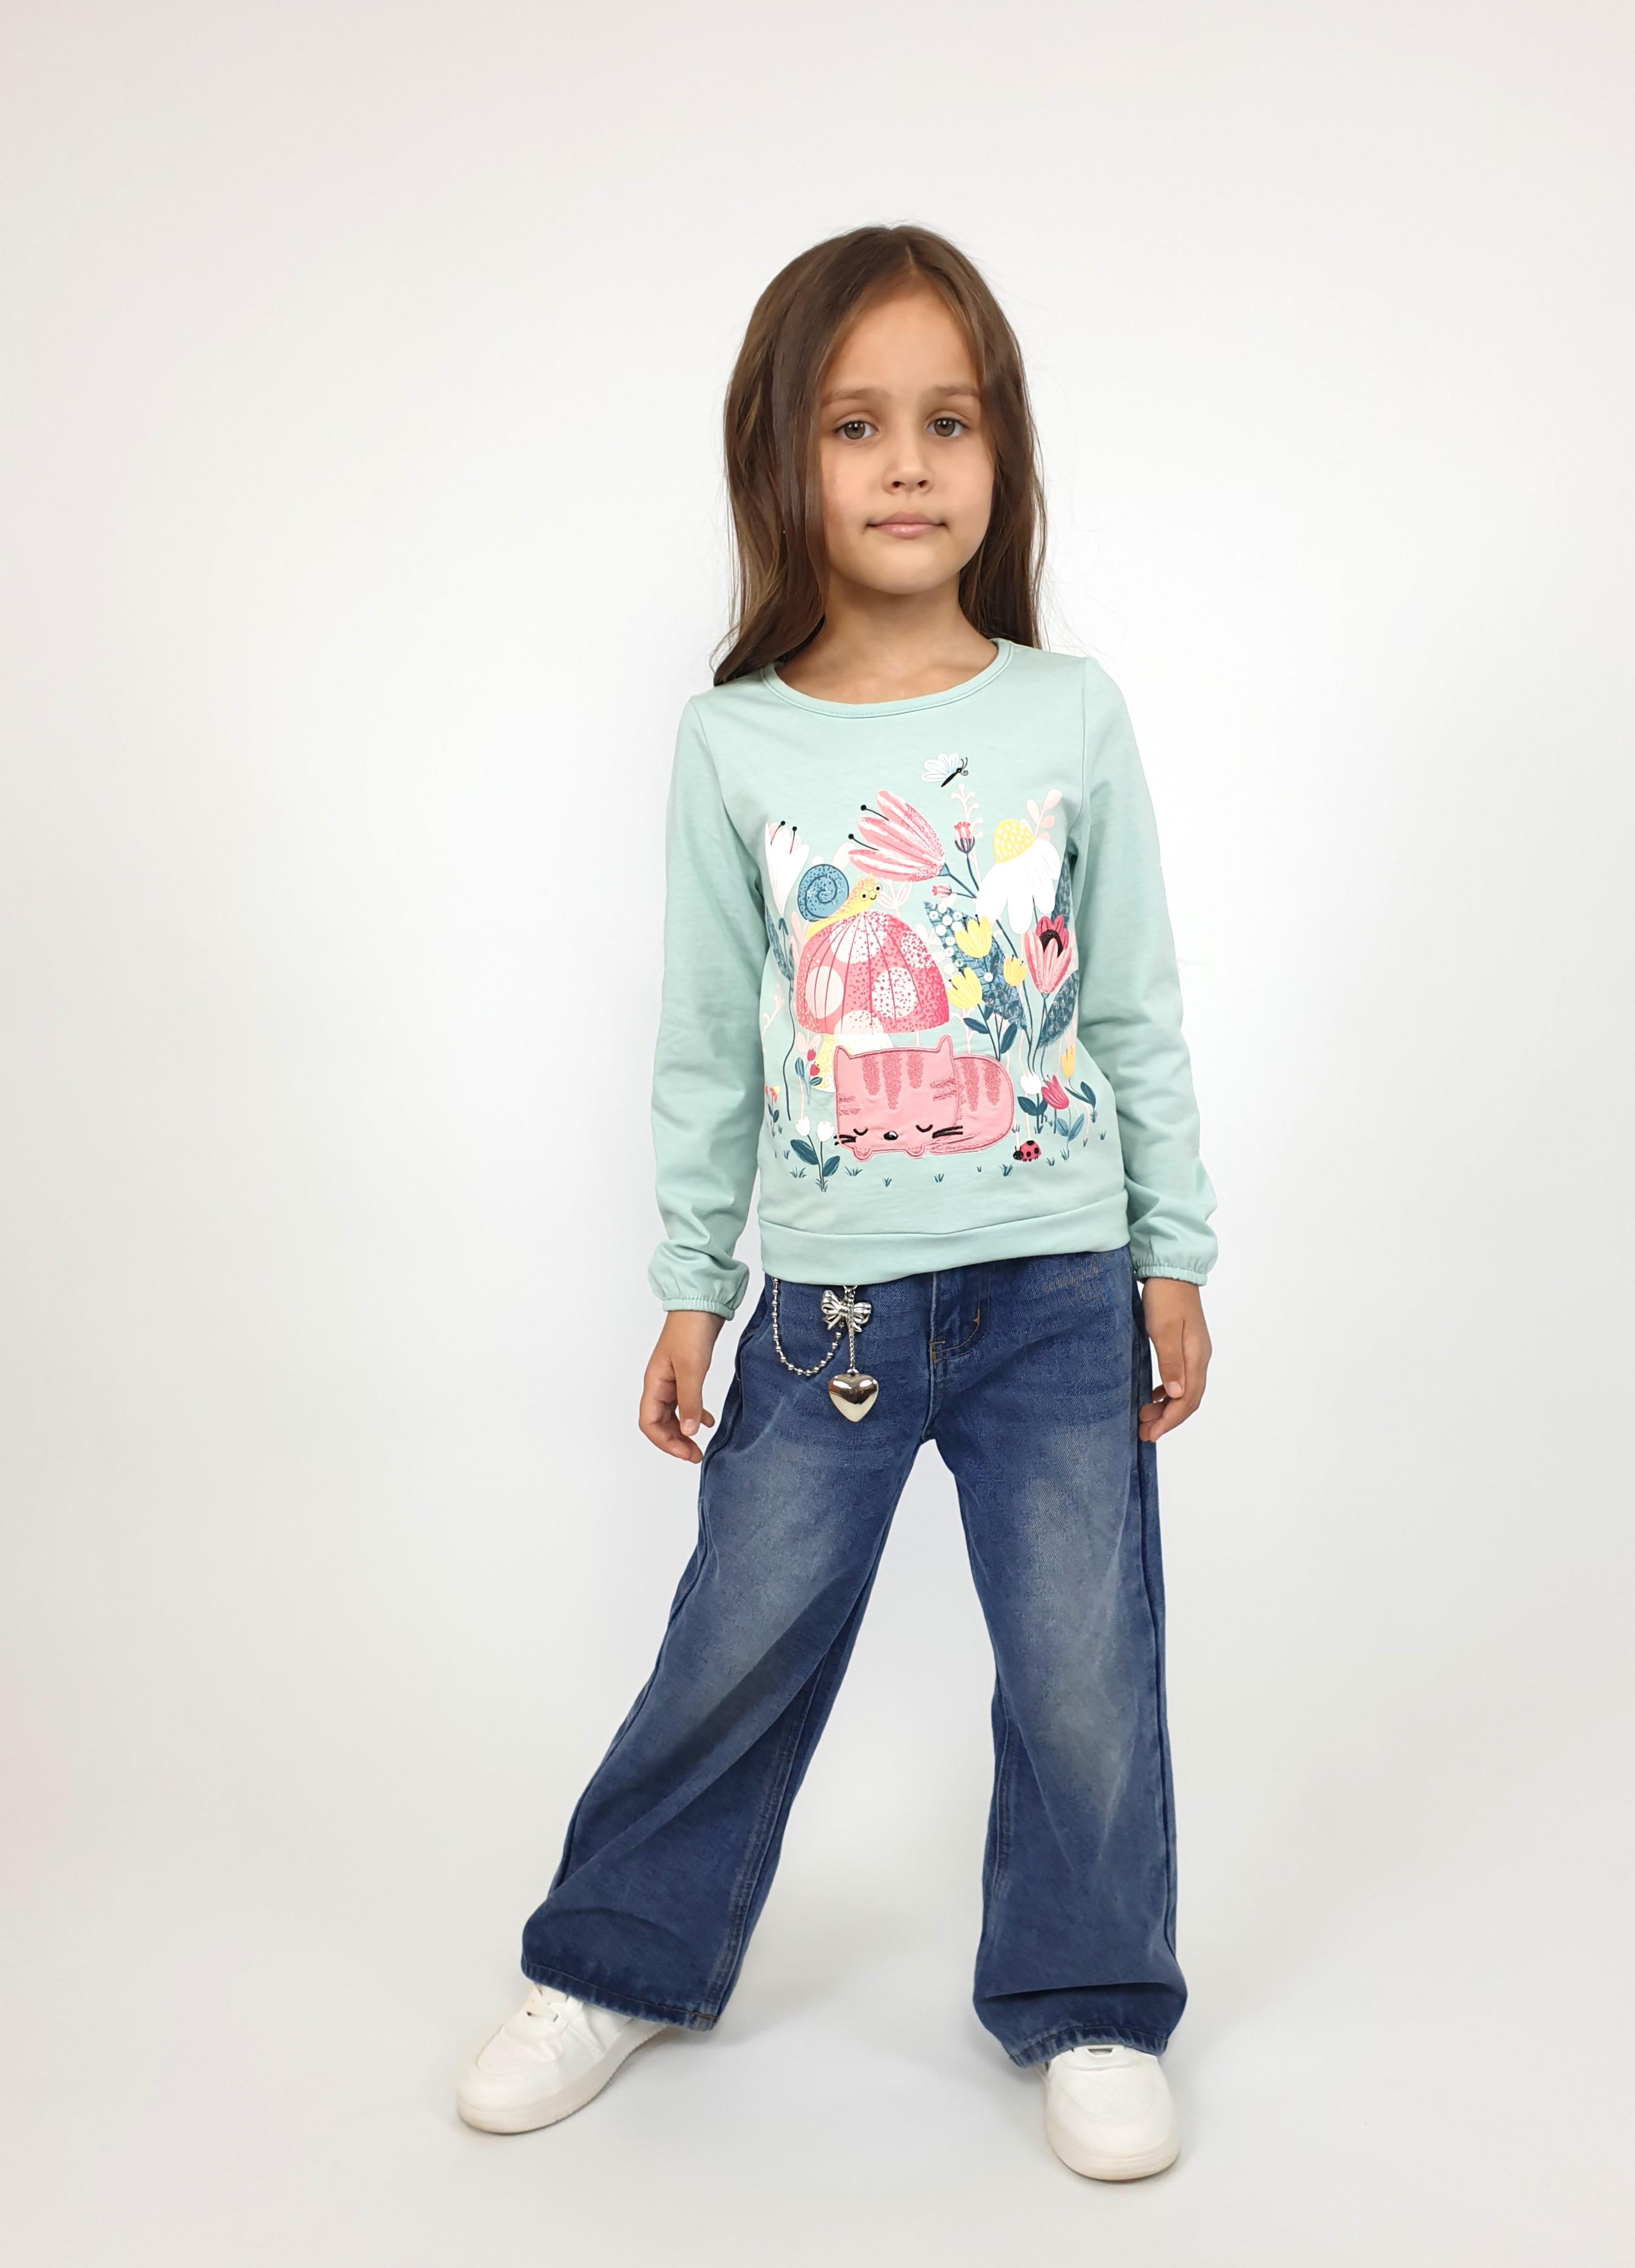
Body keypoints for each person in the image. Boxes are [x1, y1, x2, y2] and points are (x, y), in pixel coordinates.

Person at [456, 223, 1217, 2183]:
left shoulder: (1071, 715)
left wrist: (1176, 1255)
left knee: (1083, 1669)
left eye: (948, 422)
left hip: (1060, 1284)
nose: (906, 465)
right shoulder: (738, 741)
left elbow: (1133, 1005)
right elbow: (710, 1039)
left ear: (1001, 455)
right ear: (782, 460)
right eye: (857, 424)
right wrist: (689, 1284)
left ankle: (1090, 1997)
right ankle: (613, 1961)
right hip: (834, 1320)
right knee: (735, 1641)